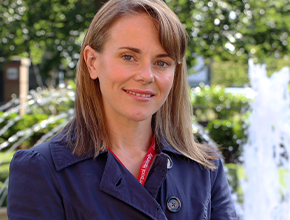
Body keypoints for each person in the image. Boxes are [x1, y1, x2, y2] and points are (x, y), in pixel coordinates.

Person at [7, 0, 237, 219]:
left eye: (162, 62)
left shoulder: (206, 168)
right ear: (92, 62)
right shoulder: (42, 170)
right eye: (129, 57)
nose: (146, 76)